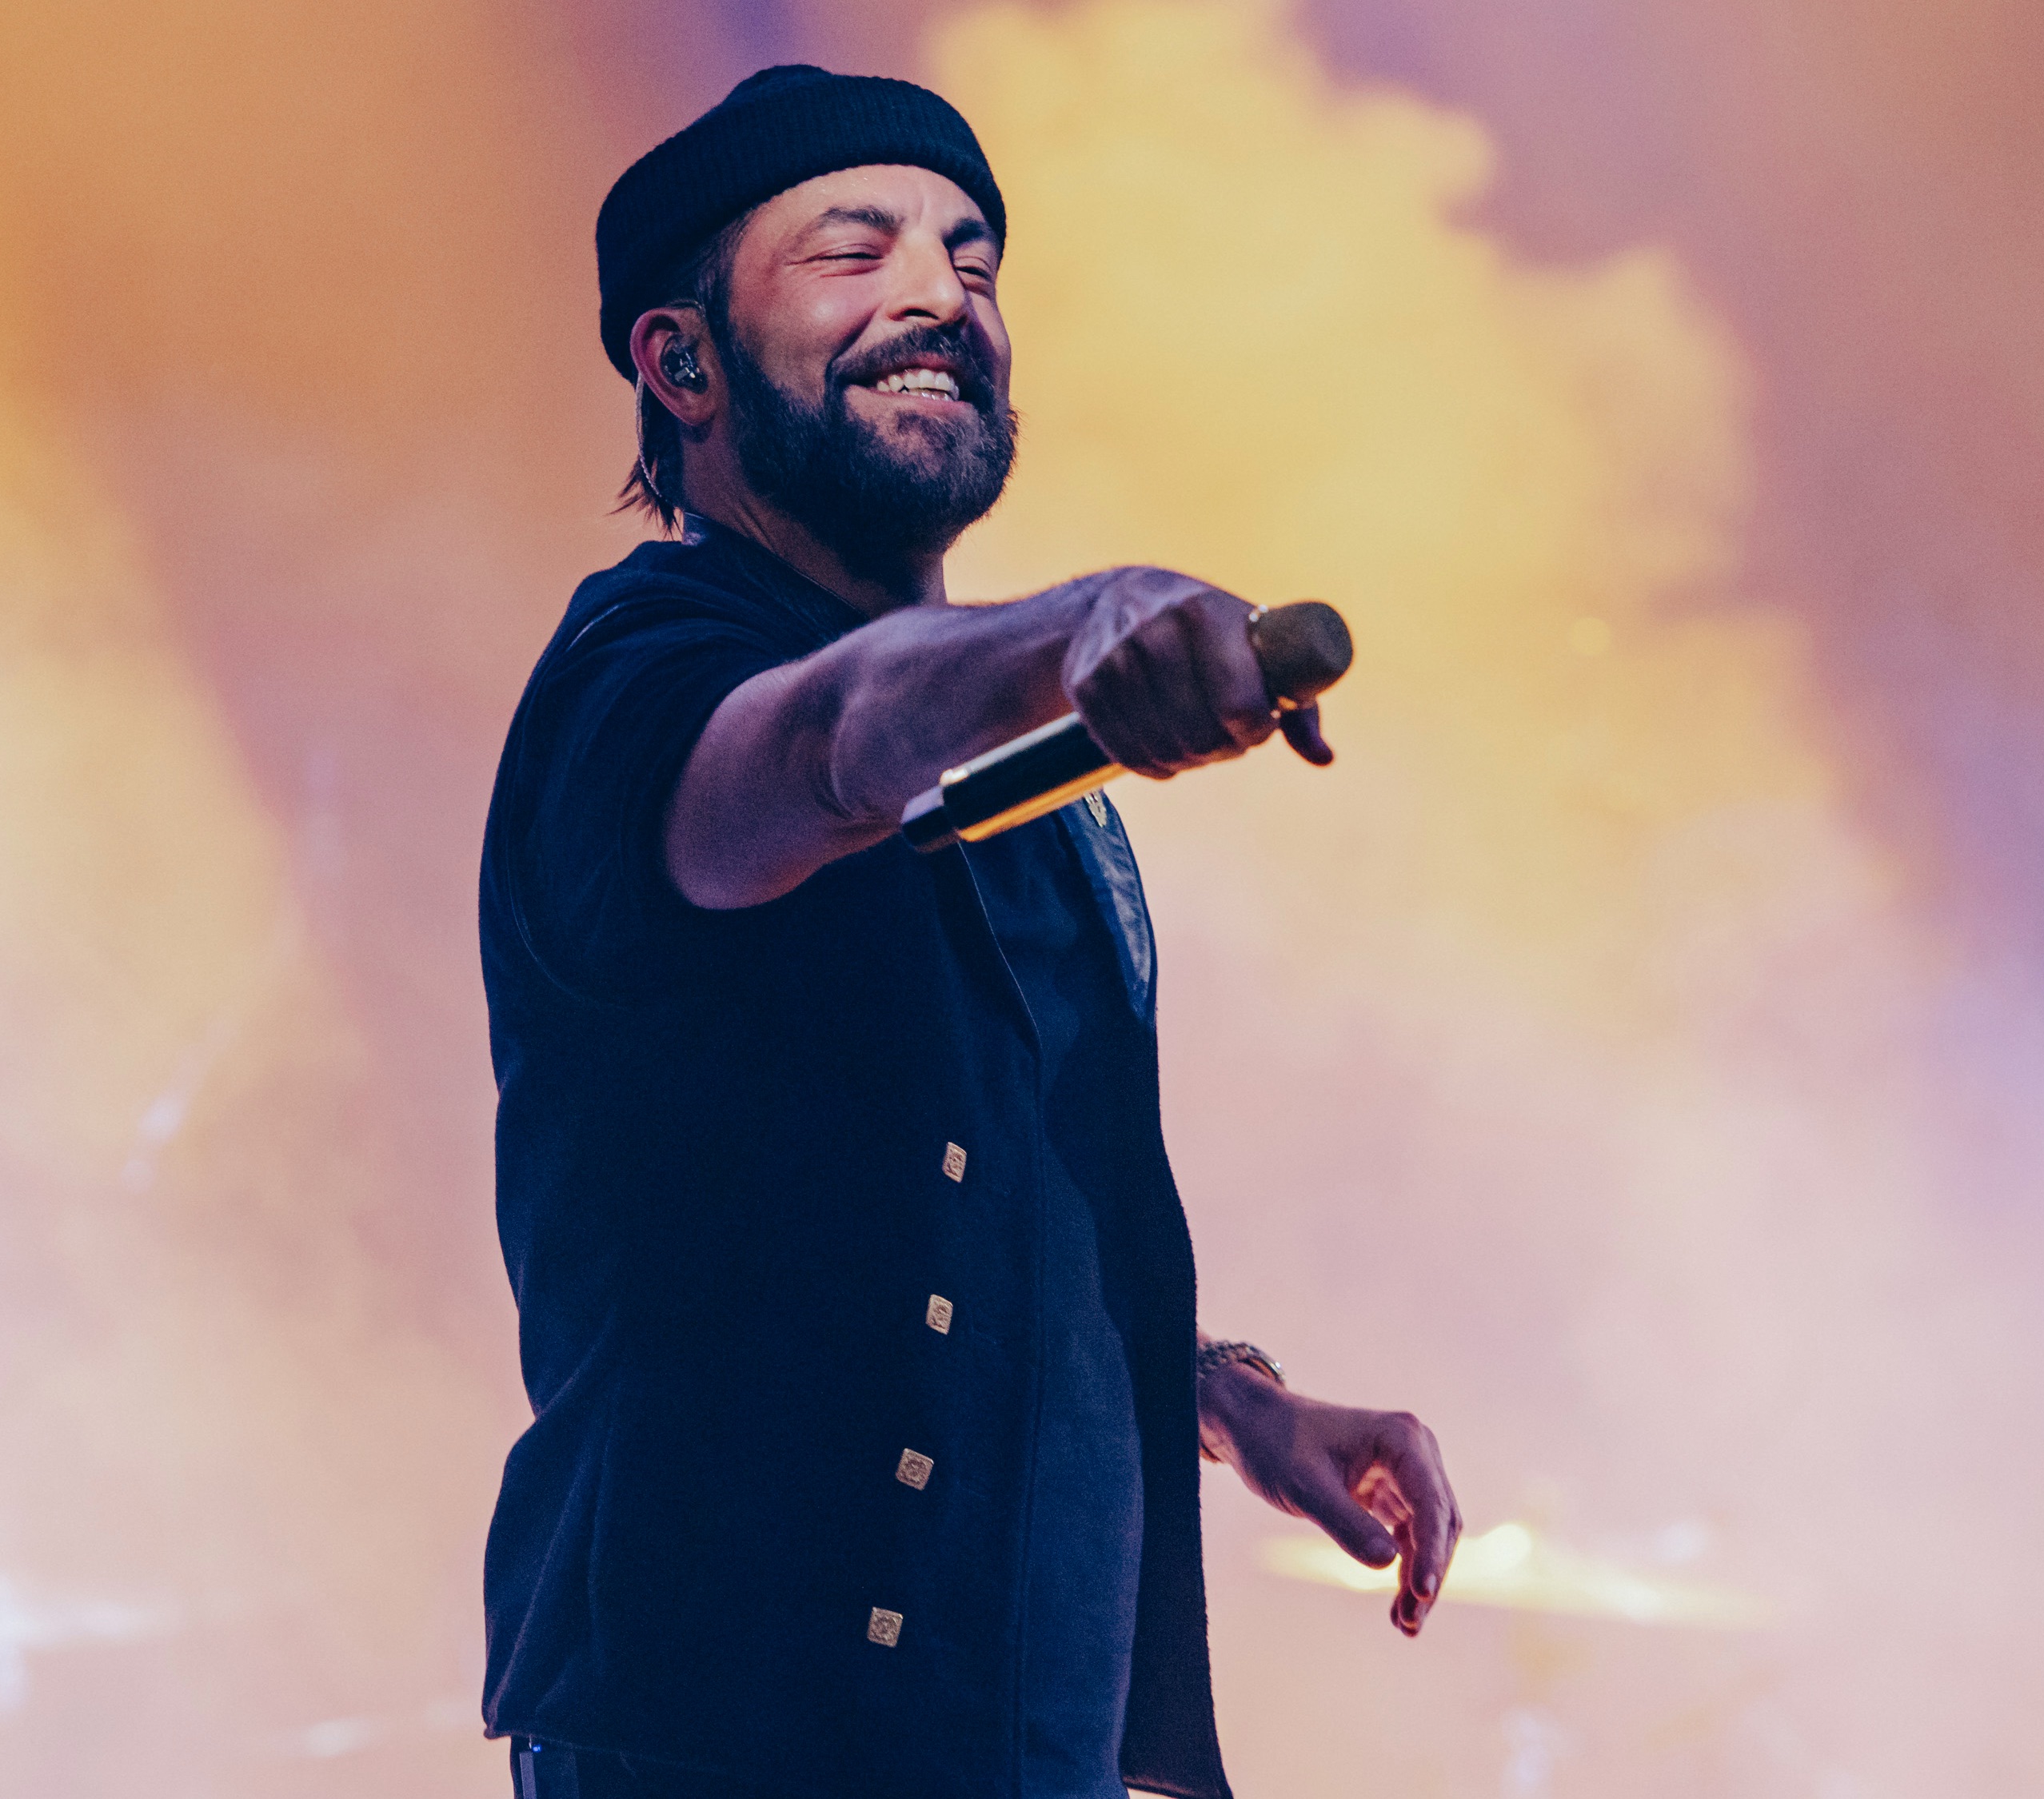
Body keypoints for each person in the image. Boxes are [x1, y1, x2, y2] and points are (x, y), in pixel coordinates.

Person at [480, 65, 1459, 1799]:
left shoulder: (1033, 778)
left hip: (1012, 1733)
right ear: (680, 363)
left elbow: (962, 1202)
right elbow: (826, 740)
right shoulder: (636, 679)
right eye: (854, 253)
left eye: (973, 260)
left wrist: (1226, 1400)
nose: (941, 293)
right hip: (736, 1734)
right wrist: (1081, 625)